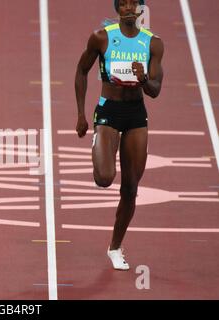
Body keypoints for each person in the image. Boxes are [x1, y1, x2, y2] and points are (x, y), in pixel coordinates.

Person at [74, 0, 164, 270]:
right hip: (108, 110)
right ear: (117, 8)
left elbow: (156, 90)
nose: (127, 7)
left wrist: (144, 78)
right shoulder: (101, 37)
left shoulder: (153, 43)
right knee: (103, 178)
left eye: (132, 3)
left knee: (131, 188)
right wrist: (80, 114)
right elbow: (81, 70)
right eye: (122, 3)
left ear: (140, 8)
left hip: (136, 114)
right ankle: (98, 139)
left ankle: (115, 247)